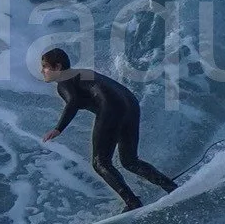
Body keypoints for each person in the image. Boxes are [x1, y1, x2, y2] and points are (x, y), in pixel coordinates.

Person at [38, 48, 177, 211]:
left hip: (111, 109)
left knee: (100, 163)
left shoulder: (64, 81)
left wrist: (58, 129)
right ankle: (171, 187)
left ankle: (132, 202)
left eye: (45, 67)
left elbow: (73, 102)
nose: (42, 71)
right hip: (130, 104)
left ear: (58, 67)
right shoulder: (81, 73)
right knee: (129, 161)